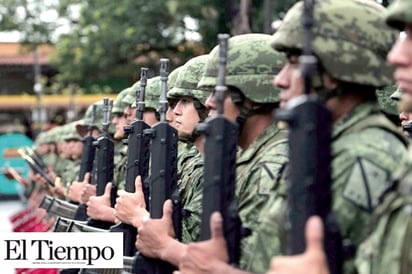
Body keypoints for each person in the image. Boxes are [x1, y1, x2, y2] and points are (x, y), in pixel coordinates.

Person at [177, 1, 410, 274]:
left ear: (334, 72)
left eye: (294, 64)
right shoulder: (329, 149)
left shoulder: (362, 156)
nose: (280, 80)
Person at [166, 33, 289, 271]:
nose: (210, 102)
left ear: (252, 98)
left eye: (218, 93)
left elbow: (249, 265)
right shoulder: (251, 158)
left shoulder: (272, 164)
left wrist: (163, 245)